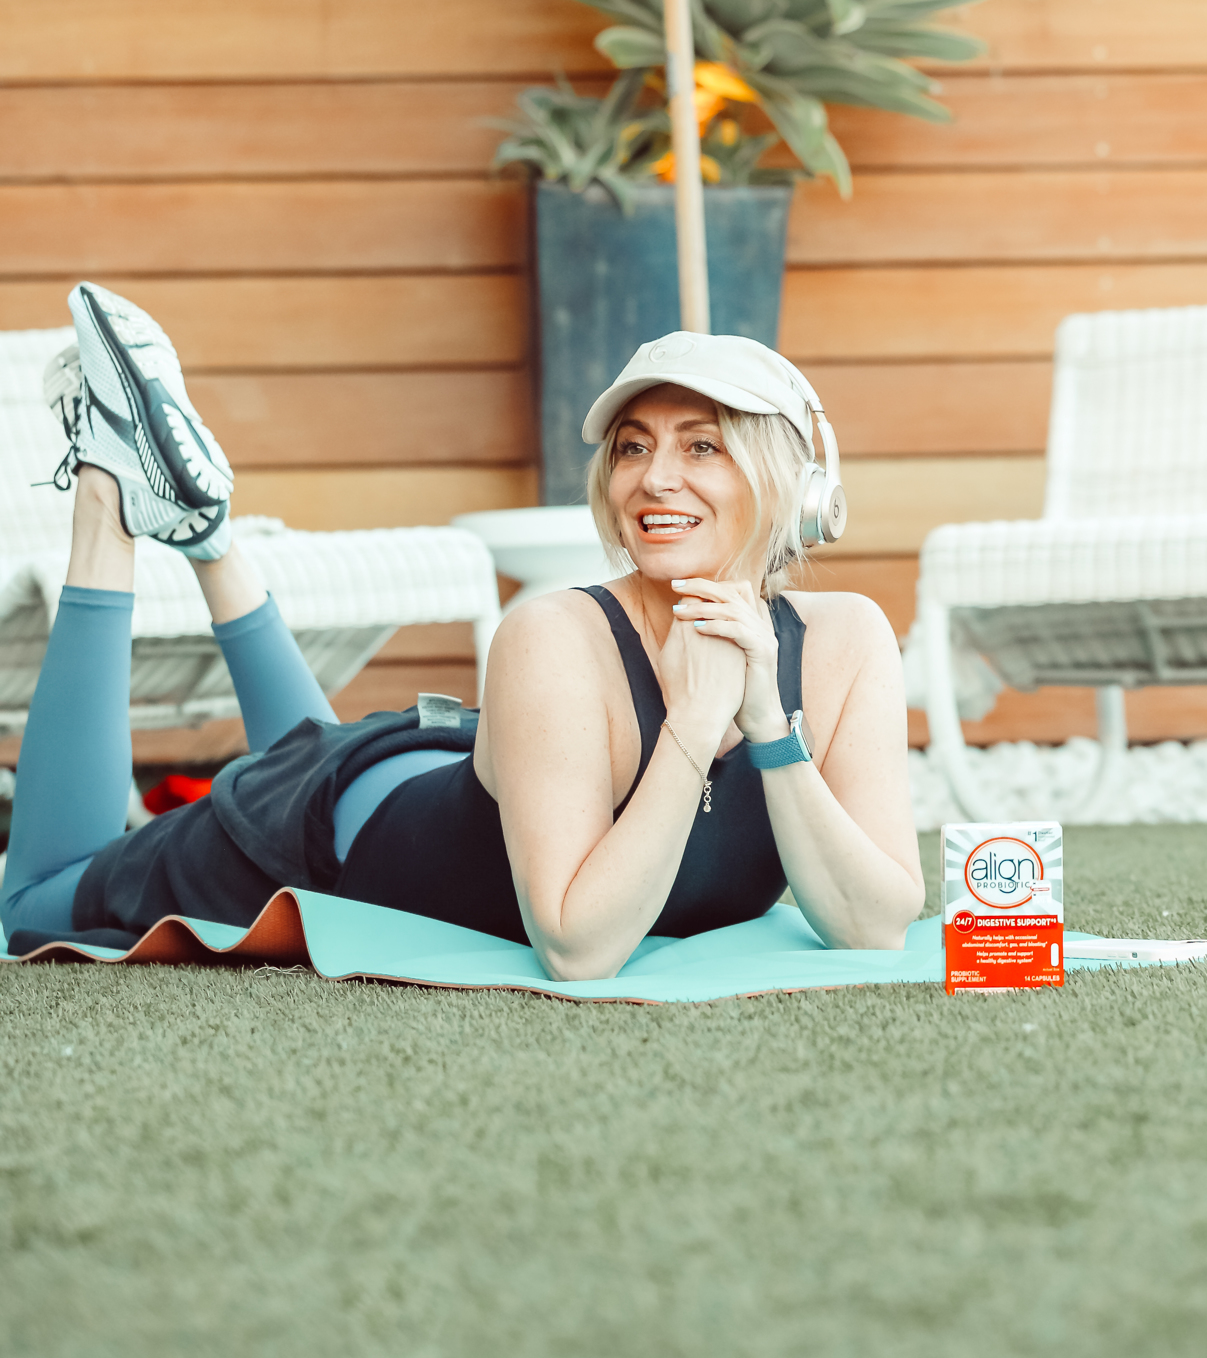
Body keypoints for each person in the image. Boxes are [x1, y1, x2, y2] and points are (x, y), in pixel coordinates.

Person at [2, 285, 924, 975]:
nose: (654, 479)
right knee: (33, 903)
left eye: (702, 445)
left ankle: (207, 539)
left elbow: (875, 922)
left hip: (422, 767)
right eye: (634, 447)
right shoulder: (554, 635)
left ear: (796, 490)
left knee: (315, 746)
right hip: (320, 834)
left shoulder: (843, 643)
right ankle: (105, 492)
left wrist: (766, 724)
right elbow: (579, 948)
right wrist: (692, 722)